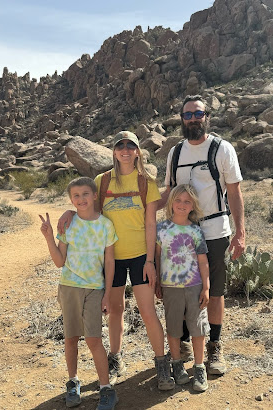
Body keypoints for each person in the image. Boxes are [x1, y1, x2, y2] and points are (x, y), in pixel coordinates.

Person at [57, 131, 175, 390]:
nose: (124, 149)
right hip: (110, 258)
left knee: (147, 311)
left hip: (139, 257)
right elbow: (89, 208)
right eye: (119, 145)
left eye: (130, 145)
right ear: (113, 151)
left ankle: (161, 362)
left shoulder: (146, 182)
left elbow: (150, 224)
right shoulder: (102, 181)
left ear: (137, 151)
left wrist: (149, 261)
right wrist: (69, 210)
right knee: (115, 309)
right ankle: (116, 357)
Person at [159, 95, 246, 375]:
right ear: (181, 119)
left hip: (214, 230)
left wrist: (240, 233)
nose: (193, 119)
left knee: (215, 291)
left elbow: (234, 191)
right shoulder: (176, 153)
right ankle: (184, 342)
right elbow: (168, 191)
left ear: (207, 116)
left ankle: (214, 346)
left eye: (198, 114)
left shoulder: (222, 149)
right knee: (183, 287)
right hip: (181, 234)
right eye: (187, 115)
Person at [39, 176, 118, 409]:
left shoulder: (105, 225)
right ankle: (73, 382)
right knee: (71, 338)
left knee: (94, 339)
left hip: (94, 288)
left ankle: (106, 389)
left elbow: (110, 261)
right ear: (71, 200)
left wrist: (107, 293)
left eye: (85, 194)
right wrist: (48, 237)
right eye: (76, 196)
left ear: (95, 196)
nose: (81, 199)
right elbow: (59, 261)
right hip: (69, 286)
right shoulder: (68, 225)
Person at [155, 184, 210, 392]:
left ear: (193, 205)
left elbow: (203, 261)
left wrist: (206, 287)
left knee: (197, 328)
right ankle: (177, 365)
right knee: (174, 327)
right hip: (170, 287)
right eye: (178, 200)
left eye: (187, 201)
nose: (182, 205)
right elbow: (157, 257)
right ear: (171, 203)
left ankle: (199, 367)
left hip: (194, 286)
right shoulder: (161, 229)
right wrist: (158, 282)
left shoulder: (195, 230)